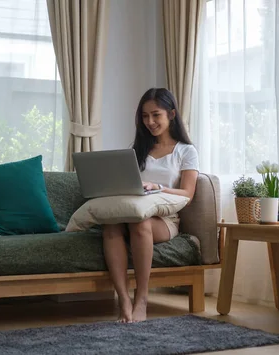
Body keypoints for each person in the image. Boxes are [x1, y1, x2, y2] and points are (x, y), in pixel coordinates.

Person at [102, 88, 199, 323]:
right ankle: (124, 300)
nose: (150, 122)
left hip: (165, 219)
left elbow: (187, 193)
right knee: (110, 227)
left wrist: (158, 187)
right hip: (132, 210)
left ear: (172, 114)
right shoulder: (137, 151)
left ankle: (142, 299)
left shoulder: (186, 151)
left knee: (140, 223)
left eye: (156, 115)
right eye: (145, 116)